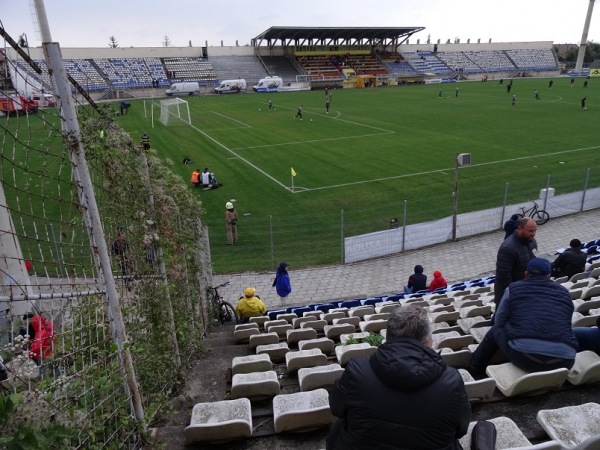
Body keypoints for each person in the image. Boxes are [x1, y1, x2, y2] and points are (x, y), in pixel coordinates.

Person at [327, 305, 471, 450]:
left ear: (388, 337)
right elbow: (461, 429)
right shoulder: (451, 382)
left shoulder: (356, 370)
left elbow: (336, 408)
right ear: (426, 342)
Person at [470, 258, 577, 375]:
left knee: (496, 330)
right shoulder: (564, 292)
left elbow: (499, 320)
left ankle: (475, 369)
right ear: (549, 275)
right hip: (565, 361)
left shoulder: (513, 288)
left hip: (525, 357)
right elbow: (566, 321)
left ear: (526, 274)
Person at [494, 217, 537, 306]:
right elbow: (504, 278)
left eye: (534, 231)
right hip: (510, 297)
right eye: (530, 231)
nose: (533, 234)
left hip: (525, 291)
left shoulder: (532, 242)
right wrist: (516, 295)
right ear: (520, 229)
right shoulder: (507, 248)